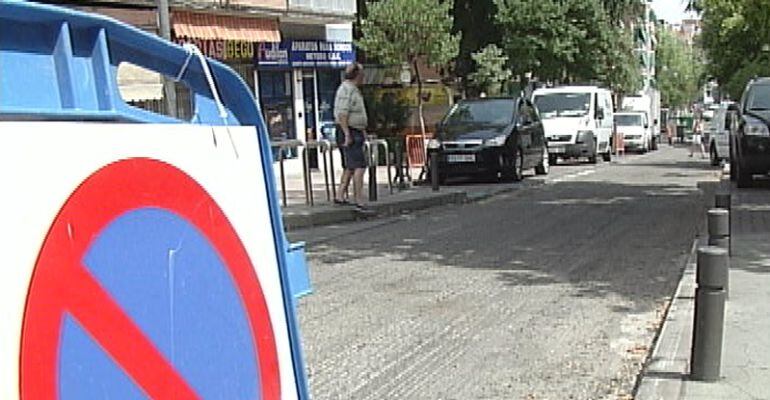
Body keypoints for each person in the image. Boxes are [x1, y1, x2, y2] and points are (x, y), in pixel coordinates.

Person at [333, 63, 371, 212]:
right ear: (357, 75)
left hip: (355, 131)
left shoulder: (353, 89)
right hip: (349, 132)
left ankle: (340, 196)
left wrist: (362, 131)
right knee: (359, 166)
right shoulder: (346, 89)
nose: (364, 76)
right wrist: (347, 134)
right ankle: (359, 199)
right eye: (362, 73)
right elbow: (342, 114)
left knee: (349, 166)